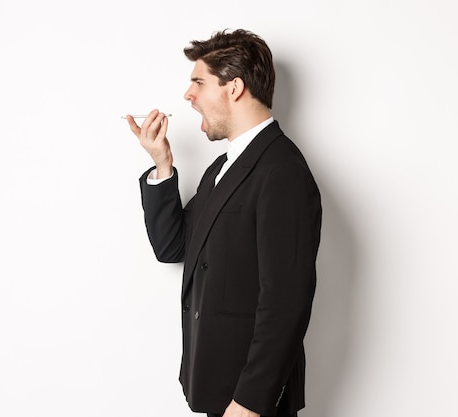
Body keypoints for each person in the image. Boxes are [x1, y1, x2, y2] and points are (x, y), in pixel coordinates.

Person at [126, 29, 322, 417]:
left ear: (234, 87)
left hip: (251, 402)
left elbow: (286, 302)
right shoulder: (222, 168)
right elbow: (174, 247)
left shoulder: (282, 171)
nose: (188, 95)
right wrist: (162, 165)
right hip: (216, 389)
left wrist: (250, 400)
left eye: (198, 81)